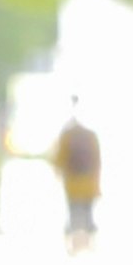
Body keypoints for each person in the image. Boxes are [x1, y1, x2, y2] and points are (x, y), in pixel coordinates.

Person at [50, 103, 101, 250]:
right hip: (89, 182)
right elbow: (97, 160)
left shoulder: (67, 136)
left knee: (73, 211)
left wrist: (58, 173)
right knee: (87, 212)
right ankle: (89, 242)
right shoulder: (91, 136)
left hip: (72, 182)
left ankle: (73, 243)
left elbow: (59, 158)